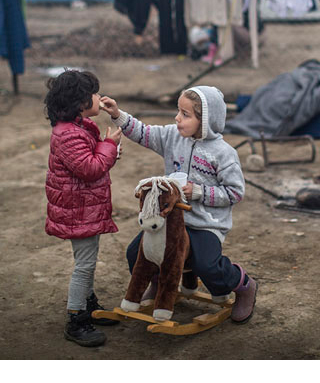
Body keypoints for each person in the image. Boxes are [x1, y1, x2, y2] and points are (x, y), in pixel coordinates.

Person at [100, 85, 258, 323]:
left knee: (206, 265)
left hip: (205, 224)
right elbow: (143, 132)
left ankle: (243, 285)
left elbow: (235, 192)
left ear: (205, 121)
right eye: (178, 111)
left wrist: (198, 192)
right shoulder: (172, 136)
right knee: (136, 253)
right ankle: (159, 282)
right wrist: (117, 114)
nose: (177, 118)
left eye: (185, 114)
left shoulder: (224, 154)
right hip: (170, 221)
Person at [43, 69, 122, 347]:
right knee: (85, 264)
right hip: (79, 212)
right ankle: (76, 318)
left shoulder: (79, 127)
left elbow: (93, 158)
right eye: (95, 93)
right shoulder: (68, 134)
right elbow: (90, 168)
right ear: (80, 102)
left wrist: (108, 147)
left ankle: (89, 306)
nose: (99, 97)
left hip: (83, 208)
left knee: (87, 261)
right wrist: (110, 146)